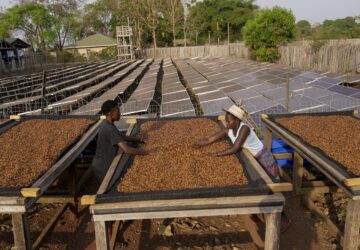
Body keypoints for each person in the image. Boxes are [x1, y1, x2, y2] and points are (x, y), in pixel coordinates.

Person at [195, 104, 291, 232]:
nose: (227, 122)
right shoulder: (229, 128)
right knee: (257, 185)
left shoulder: (244, 129)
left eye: (229, 120)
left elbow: (235, 148)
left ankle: (283, 218)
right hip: (252, 158)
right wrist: (197, 144)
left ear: (237, 120)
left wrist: (215, 154)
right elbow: (210, 138)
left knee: (271, 188)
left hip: (263, 158)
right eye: (226, 120)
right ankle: (257, 212)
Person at [92, 100, 152, 183]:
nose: (119, 113)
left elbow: (120, 136)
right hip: (103, 167)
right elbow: (126, 149)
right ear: (110, 113)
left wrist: (138, 139)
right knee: (107, 188)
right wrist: (146, 152)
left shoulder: (106, 123)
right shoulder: (110, 128)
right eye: (117, 111)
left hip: (99, 162)